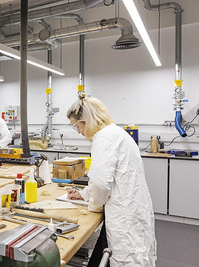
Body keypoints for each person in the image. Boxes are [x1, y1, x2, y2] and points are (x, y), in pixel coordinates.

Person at [66, 94, 157, 266]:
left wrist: (93, 205)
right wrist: (84, 194)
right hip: (133, 207)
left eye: (77, 126)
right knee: (138, 254)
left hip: (123, 213)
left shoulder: (103, 138)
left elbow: (101, 183)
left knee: (126, 257)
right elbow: (113, 178)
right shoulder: (116, 133)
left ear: (87, 120)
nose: (79, 132)